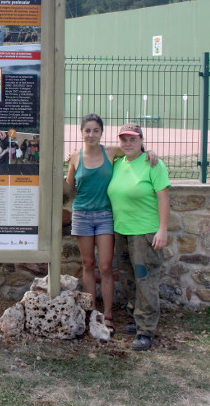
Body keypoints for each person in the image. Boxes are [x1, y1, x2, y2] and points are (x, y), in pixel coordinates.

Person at [64, 114, 158, 336]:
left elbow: (134, 151)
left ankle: (107, 315)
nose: (91, 134)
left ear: (101, 132)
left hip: (105, 215)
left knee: (105, 267)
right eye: (87, 130)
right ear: (81, 132)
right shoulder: (75, 157)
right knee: (88, 265)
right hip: (82, 216)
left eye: (95, 130)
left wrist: (150, 152)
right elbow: (68, 189)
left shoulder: (111, 153)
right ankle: (91, 313)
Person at [107, 122, 170, 351]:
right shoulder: (118, 163)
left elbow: (163, 197)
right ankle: (136, 316)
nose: (128, 143)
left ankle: (146, 330)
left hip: (145, 232)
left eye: (133, 139)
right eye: (124, 139)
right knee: (128, 277)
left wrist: (162, 229)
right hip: (122, 230)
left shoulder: (153, 164)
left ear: (142, 140)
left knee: (146, 279)